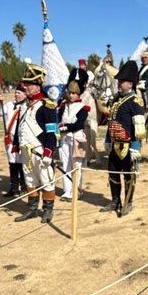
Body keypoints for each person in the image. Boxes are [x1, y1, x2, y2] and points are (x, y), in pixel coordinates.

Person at [13, 63, 58, 223]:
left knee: (46, 180)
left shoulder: (47, 105)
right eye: (26, 84)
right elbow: (21, 126)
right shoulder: (25, 104)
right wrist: (16, 143)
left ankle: (47, 210)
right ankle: (32, 209)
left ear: (38, 86)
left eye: (29, 84)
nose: (26, 87)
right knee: (30, 180)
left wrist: (49, 151)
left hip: (40, 150)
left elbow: (52, 132)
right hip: (26, 150)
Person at [100, 60, 146, 217]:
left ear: (130, 84)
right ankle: (115, 201)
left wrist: (135, 146)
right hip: (114, 144)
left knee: (128, 176)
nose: (119, 83)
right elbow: (111, 122)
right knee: (112, 173)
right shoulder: (115, 99)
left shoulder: (135, 102)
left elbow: (139, 128)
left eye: (122, 81)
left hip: (128, 146)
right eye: (119, 81)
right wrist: (107, 140)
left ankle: (128, 202)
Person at [58, 68, 90, 201]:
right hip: (65, 139)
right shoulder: (64, 106)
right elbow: (59, 118)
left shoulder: (83, 108)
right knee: (65, 164)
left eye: (74, 93)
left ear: (79, 94)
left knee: (76, 165)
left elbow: (78, 124)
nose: (71, 95)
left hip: (76, 138)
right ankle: (67, 191)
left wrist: (64, 127)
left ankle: (77, 189)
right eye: (70, 93)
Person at [0, 83, 27, 197]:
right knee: (12, 164)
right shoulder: (9, 104)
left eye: (19, 93)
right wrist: (0, 102)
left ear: (25, 94)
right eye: (16, 92)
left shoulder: (27, 106)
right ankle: (14, 188)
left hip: (22, 140)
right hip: (10, 140)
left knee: (22, 164)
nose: (16, 95)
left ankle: (24, 187)